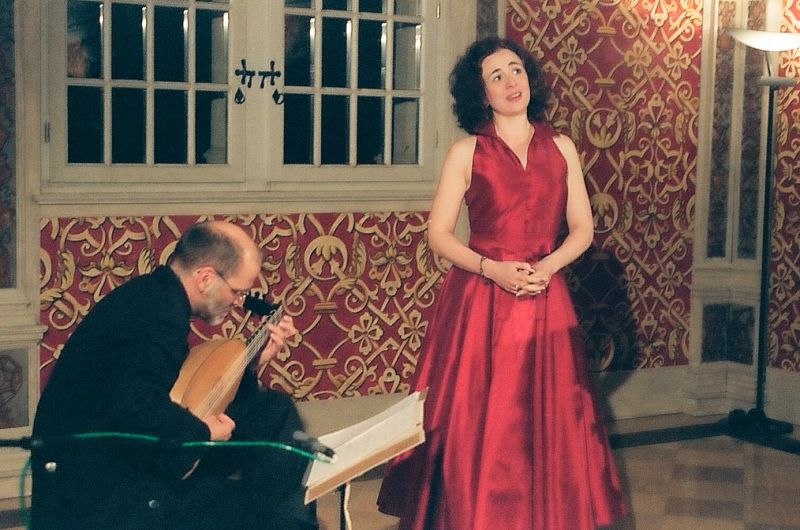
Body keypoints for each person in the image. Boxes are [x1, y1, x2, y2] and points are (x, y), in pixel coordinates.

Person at [377, 37, 628, 529]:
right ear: (481, 93)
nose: (512, 82)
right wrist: (491, 269)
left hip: (545, 297)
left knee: (547, 420)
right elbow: (438, 235)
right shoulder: (467, 151)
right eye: (497, 76)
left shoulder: (562, 147)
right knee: (478, 421)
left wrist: (548, 267)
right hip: (481, 300)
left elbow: (583, 229)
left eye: (516, 70)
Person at [31, 221, 318, 530]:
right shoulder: (158, 317)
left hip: (117, 462)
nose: (238, 302)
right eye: (237, 292)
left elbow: (165, 390)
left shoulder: (154, 296)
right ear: (205, 277)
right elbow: (136, 407)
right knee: (260, 509)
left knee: (273, 411)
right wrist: (203, 432)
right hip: (99, 492)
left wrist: (252, 365)